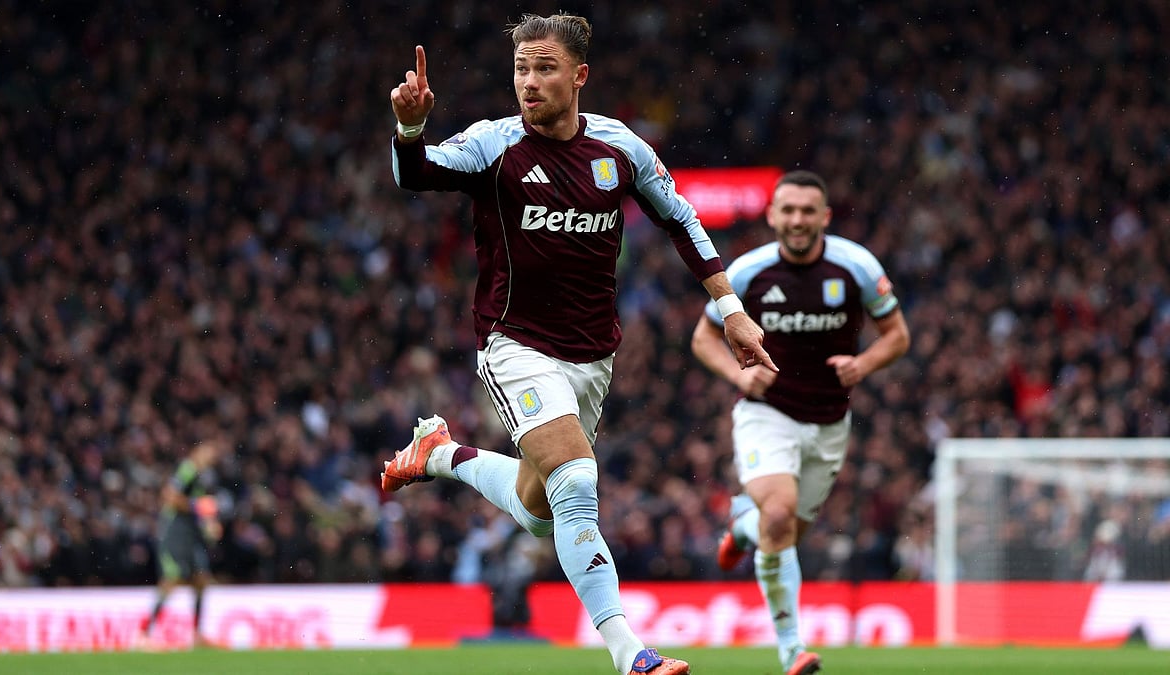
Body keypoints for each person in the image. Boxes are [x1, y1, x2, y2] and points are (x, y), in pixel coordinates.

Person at [386, 13, 773, 675]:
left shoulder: (619, 149)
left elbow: (681, 217)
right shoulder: (494, 144)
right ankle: (631, 652)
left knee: (542, 512)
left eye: (544, 69)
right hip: (515, 345)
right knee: (576, 479)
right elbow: (416, 173)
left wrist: (730, 308)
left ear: (579, 75)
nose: (529, 83)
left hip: (593, 356)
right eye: (520, 70)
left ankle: (440, 453)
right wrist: (410, 126)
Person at [691, 170, 910, 675]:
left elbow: (897, 335)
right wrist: (737, 376)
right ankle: (792, 649)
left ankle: (741, 528)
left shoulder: (855, 267)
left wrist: (865, 364)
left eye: (808, 211)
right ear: (772, 215)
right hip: (768, 415)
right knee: (779, 516)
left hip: (831, 424)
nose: (797, 220)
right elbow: (703, 339)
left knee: (780, 532)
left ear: (825, 217)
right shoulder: (745, 273)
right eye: (787, 210)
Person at [136, 439, 225, 650]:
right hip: (175, 534)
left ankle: (196, 635)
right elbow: (169, 496)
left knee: (201, 580)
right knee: (172, 580)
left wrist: (209, 524)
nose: (210, 458)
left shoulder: (201, 479)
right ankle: (143, 635)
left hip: (191, 536)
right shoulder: (188, 469)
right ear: (197, 451)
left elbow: (197, 510)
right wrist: (198, 507)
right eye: (207, 452)